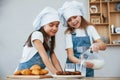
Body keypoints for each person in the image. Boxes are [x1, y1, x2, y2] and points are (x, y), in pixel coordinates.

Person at [58, 0, 106, 77]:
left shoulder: (90, 29)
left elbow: (104, 46)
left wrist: (97, 45)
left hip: (88, 67)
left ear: (80, 15)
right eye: (69, 20)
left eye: (75, 17)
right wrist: (83, 63)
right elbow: (70, 56)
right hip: (72, 69)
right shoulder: (69, 33)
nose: (73, 21)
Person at [16, 7, 62, 75]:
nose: (55, 28)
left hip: (36, 75)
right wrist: (56, 74)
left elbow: (55, 61)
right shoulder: (37, 35)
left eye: (57, 26)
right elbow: (45, 58)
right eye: (51, 25)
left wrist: (62, 74)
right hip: (23, 74)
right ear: (43, 25)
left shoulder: (49, 40)